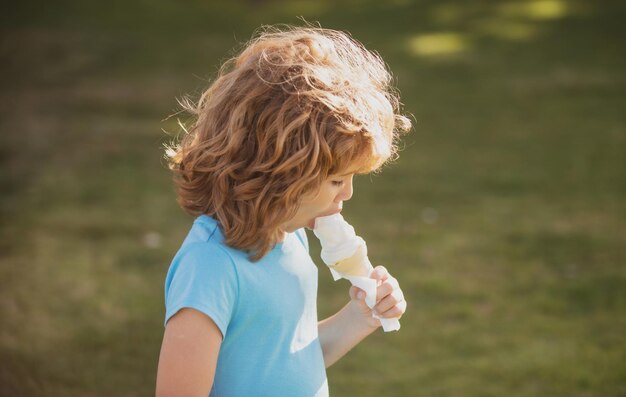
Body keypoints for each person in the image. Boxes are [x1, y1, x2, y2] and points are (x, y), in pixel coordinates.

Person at [155, 23, 412, 397]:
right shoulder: (209, 268)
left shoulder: (288, 241)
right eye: (338, 180)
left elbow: (288, 360)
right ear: (283, 174)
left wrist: (359, 317)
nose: (349, 193)